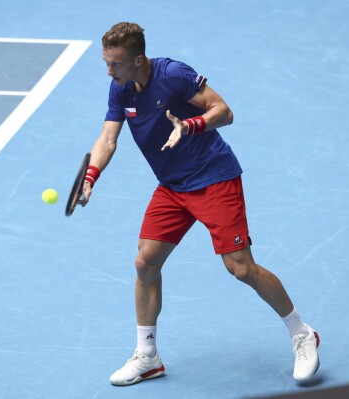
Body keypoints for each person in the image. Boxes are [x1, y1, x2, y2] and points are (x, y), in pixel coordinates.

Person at [79, 22, 320, 386]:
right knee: (146, 262)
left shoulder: (173, 75)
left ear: (139, 59)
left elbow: (224, 111)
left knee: (241, 268)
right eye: (107, 64)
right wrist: (91, 175)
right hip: (173, 187)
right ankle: (148, 356)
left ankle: (302, 333)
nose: (109, 72)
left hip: (213, 179)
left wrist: (188, 126)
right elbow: (108, 139)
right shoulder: (120, 89)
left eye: (115, 64)